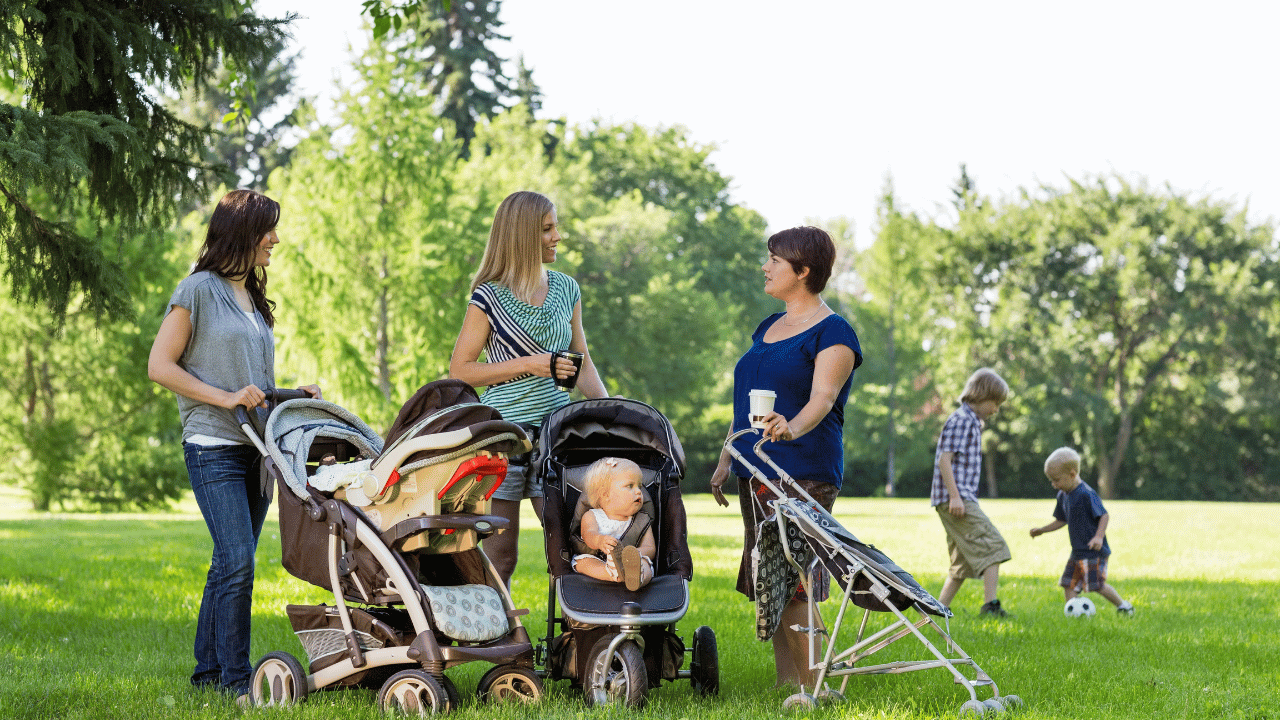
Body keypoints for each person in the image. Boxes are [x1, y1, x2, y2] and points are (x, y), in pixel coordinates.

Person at [147, 189, 322, 701]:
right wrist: (224, 398)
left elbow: (251, 383)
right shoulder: (197, 289)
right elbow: (161, 366)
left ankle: (205, 674)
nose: (275, 239)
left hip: (257, 447)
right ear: (240, 233)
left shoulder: (252, 295)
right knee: (239, 559)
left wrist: (293, 392)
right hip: (211, 443)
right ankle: (235, 680)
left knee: (229, 561)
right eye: (267, 229)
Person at [709, 226, 862, 689]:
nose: (765, 266)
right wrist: (726, 456)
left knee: (796, 579)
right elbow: (749, 405)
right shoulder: (768, 327)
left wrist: (790, 426)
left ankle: (816, 687)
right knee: (768, 578)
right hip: (755, 469)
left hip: (803, 471)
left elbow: (823, 397)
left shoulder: (835, 332)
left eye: (775, 259)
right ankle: (786, 686)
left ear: (804, 270)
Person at [448, 190, 610, 588]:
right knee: (502, 554)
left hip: (556, 434)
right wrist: (528, 365)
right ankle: (498, 640)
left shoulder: (567, 289)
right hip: (502, 438)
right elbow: (460, 370)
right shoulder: (488, 297)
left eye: (555, 227)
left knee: (570, 545)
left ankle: (574, 640)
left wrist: (610, 411)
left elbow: (581, 360)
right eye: (547, 229)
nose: (558, 237)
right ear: (522, 235)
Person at [930, 367, 1013, 617]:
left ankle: (935, 611)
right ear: (980, 395)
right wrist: (955, 496)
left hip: (956, 498)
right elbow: (944, 460)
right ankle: (990, 607)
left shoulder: (972, 422)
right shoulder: (962, 420)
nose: (996, 409)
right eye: (994, 402)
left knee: (961, 565)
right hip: (956, 498)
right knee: (994, 547)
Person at [1030, 447, 1135, 615]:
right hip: (1077, 551)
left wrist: (1099, 537)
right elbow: (1061, 520)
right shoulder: (1063, 495)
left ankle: (1123, 606)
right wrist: (1042, 530)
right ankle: (1074, 614)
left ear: (1072, 474)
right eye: (1051, 480)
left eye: (1056, 480)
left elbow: (1104, 516)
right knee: (1068, 583)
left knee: (1096, 585)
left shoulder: (1086, 494)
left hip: (1093, 551)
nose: (1053, 484)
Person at [572, 457, 656, 591]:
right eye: (630, 486)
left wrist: (633, 556)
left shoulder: (642, 520)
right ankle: (611, 573)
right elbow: (588, 535)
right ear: (605, 494)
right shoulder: (592, 515)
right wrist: (600, 541)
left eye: (639, 486)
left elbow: (650, 547)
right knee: (583, 562)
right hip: (599, 558)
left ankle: (637, 578)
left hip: (631, 563)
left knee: (646, 564)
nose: (639, 491)